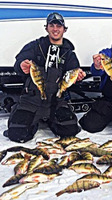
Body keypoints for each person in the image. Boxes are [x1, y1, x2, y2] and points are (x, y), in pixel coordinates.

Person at [3, 12, 86, 143]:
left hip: (57, 101)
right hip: (31, 100)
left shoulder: (69, 53)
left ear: (64, 29)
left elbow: (72, 77)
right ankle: (16, 108)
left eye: (59, 26)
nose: (55, 29)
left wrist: (78, 76)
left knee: (69, 131)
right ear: (46, 28)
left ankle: (51, 120)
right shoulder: (35, 46)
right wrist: (21, 65)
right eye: (51, 25)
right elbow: (18, 63)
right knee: (17, 133)